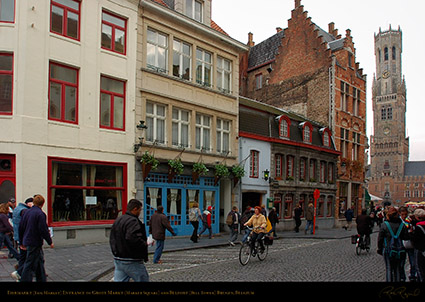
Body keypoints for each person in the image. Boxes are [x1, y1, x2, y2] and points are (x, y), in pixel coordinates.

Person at [109, 199, 149, 282]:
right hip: (131, 259)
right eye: (139, 210)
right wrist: (145, 243)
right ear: (135, 209)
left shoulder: (119, 219)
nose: (140, 212)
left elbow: (112, 237)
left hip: (118, 258)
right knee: (143, 279)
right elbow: (132, 238)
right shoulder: (133, 221)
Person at [19, 194, 53, 282]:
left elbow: (21, 227)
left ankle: (41, 278)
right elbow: (43, 229)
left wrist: (21, 241)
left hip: (27, 239)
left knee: (39, 261)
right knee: (29, 262)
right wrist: (49, 241)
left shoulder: (26, 212)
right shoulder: (40, 214)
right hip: (35, 241)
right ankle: (24, 279)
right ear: (42, 204)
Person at [377, 206, 408, 282]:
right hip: (399, 249)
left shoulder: (384, 225)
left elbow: (380, 238)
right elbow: (406, 237)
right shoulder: (401, 225)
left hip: (388, 248)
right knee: (397, 268)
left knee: (389, 268)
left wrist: (379, 249)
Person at [11, 197, 33, 281]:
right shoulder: (24, 211)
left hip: (18, 236)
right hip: (24, 238)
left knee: (23, 257)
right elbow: (25, 225)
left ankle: (21, 275)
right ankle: (19, 273)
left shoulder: (17, 208)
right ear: (29, 203)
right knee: (29, 258)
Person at [399, 206, 417, 282]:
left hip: (410, 243)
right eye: (402, 214)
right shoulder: (398, 222)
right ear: (399, 214)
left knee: (413, 262)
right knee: (401, 263)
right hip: (401, 244)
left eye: (405, 214)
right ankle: (402, 276)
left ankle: (412, 275)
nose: (404, 216)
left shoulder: (410, 221)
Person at [411, 208, 425, 282]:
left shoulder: (418, 227)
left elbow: (415, 239)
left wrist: (411, 233)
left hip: (419, 249)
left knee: (419, 267)